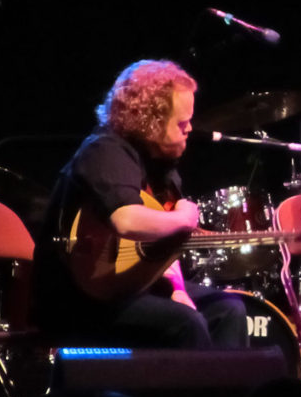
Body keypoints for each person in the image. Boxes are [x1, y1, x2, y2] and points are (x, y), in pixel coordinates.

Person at [33, 59, 247, 348]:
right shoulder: (105, 151)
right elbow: (126, 220)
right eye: (182, 122)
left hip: (130, 288)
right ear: (152, 121)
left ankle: (230, 394)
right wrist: (184, 218)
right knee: (186, 323)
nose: (190, 129)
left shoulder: (163, 166)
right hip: (79, 299)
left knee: (229, 309)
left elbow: (166, 246)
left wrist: (177, 289)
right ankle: (192, 394)